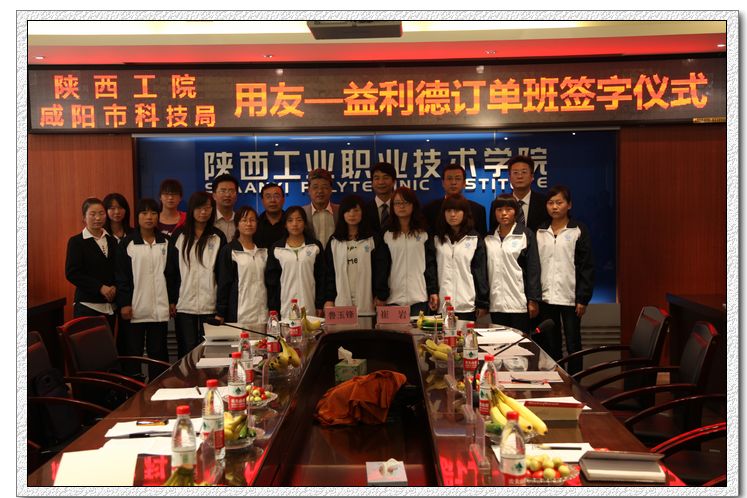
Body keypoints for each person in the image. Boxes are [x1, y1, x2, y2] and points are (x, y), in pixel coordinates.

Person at [536, 185, 594, 375]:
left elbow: (586, 266)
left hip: (570, 298)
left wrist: (583, 298)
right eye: (551, 203)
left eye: (559, 202)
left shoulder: (578, 230)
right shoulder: (540, 231)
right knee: (551, 345)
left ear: (569, 205)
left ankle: (575, 383)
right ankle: (557, 381)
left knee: (573, 344)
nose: (554, 207)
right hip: (546, 297)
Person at [115, 198, 175, 380]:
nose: (149, 217)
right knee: (133, 353)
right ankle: (133, 390)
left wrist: (172, 301)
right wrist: (124, 303)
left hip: (159, 308)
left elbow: (172, 274)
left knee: (158, 352)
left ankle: (159, 387)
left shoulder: (166, 242)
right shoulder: (127, 243)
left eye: (153, 213)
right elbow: (121, 276)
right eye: (144, 213)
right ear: (137, 216)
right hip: (134, 309)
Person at [167, 191, 227, 358]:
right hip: (184, 305)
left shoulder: (218, 237)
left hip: (210, 306)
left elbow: (223, 276)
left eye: (208, 208)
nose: (203, 212)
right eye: (199, 208)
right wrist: (172, 299)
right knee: (186, 352)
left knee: (210, 353)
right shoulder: (179, 235)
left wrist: (221, 308)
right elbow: (171, 271)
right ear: (191, 209)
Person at [323, 195, 389, 316]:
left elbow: (381, 269)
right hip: (341, 301)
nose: (352, 214)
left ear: (363, 213)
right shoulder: (334, 241)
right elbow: (329, 273)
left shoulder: (373, 239)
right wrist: (329, 298)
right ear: (342, 214)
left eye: (356, 210)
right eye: (348, 211)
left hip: (368, 301)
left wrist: (381, 295)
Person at [484, 194, 541, 334]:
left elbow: (533, 269)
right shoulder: (488, 238)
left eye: (508, 209)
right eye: (499, 210)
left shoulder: (525, 235)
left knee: (520, 343)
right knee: (499, 342)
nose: (504, 213)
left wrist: (533, 299)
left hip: (519, 303)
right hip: (496, 303)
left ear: (515, 211)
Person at [380, 186, 439, 316]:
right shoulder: (386, 233)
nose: (401, 206)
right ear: (392, 207)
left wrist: (433, 291)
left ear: (413, 205)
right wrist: (380, 294)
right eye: (397, 203)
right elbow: (381, 267)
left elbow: (430, 264)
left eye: (405, 202)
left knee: (419, 330)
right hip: (393, 299)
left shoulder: (424, 232)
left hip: (419, 297)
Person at [433, 194, 489, 321]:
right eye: (448, 210)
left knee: (465, 334)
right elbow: (432, 269)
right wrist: (433, 292)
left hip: (467, 304)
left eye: (457, 210)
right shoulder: (437, 238)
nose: (452, 215)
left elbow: (480, 272)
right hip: (442, 304)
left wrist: (482, 302)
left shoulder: (474, 238)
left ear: (465, 213)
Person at [65, 197, 118, 330]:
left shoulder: (112, 241)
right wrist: (100, 287)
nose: (98, 218)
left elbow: (118, 269)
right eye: (92, 214)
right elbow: (72, 273)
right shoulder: (76, 242)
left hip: (110, 306)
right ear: (84, 217)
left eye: (101, 213)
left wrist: (115, 287)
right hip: (87, 306)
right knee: (88, 343)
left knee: (107, 343)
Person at [265, 206, 326, 320]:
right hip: (285, 307)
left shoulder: (314, 246)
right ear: (285, 224)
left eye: (299, 220)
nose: (295, 224)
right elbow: (272, 282)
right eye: (290, 220)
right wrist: (273, 308)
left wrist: (320, 303)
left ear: (305, 223)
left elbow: (321, 277)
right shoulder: (277, 249)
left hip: (310, 305)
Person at [216, 206, 269, 326]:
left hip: (262, 313)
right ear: (237, 224)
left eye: (252, 220)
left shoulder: (263, 250)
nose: (249, 224)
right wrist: (221, 311)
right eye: (244, 220)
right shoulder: (229, 250)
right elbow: (224, 283)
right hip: (240, 313)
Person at [489, 155, 550, 234]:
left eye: (524, 172)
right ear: (509, 177)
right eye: (515, 172)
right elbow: (494, 232)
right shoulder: (498, 204)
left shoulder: (544, 202)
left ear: (532, 176)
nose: (519, 176)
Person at [423, 162, 487, 236]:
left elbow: (481, 238)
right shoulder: (429, 209)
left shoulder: (478, 210)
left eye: (458, 178)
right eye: (449, 178)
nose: (453, 182)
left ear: (464, 183)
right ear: (443, 183)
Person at [302, 168, 339, 248]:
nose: (320, 191)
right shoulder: (302, 213)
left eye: (324, 187)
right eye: (315, 187)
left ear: (331, 190)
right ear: (309, 190)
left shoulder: (340, 211)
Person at [362, 161, 396, 234]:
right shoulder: (363, 210)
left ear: (394, 182)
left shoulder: (402, 207)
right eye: (377, 178)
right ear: (372, 183)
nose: (381, 182)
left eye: (386, 178)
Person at [255, 183, 286, 249]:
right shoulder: (256, 223)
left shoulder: (291, 222)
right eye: (268, 197)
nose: (272, 200)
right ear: (262, 201)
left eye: (276, 196)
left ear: (283, 200)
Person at [212, 173, 239, 241]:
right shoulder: (208, 220)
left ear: (236, 196)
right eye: (223, 191)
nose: (227, 195)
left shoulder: (240, 221)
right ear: (214, 196)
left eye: (231, 191)